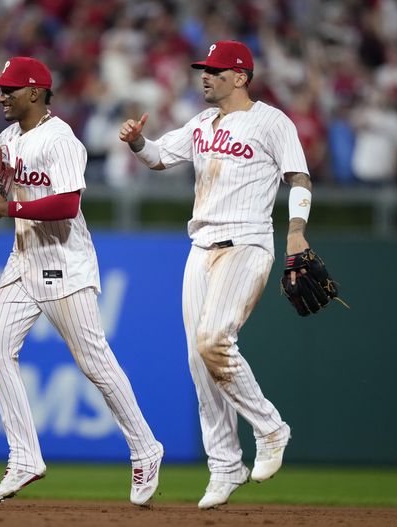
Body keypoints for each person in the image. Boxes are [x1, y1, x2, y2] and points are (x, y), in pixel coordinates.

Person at [0, 56, 164, 506]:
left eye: (9, 89)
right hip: (22, 259)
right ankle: (24, 457)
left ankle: (145, 448)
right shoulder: (11, 137)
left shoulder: (61, 140)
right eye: (0, 89)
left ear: (35, 93)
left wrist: (10, 208)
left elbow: (67, 204)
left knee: (95, 363)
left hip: (64, 261)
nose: (1, 95)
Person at [119, 40, 306, 509]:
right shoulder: (202, 123)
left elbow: (298, 177)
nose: (205, 75)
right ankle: (225, 466)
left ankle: (270, 428)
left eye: (216, 70)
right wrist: (139, 143)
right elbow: (161, 158)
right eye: (203, 68)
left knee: (214, 341)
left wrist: (297, 233)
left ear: (240, 77)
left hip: (246, 243)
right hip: (200, 248)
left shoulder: (271, 121)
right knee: (199, 364)